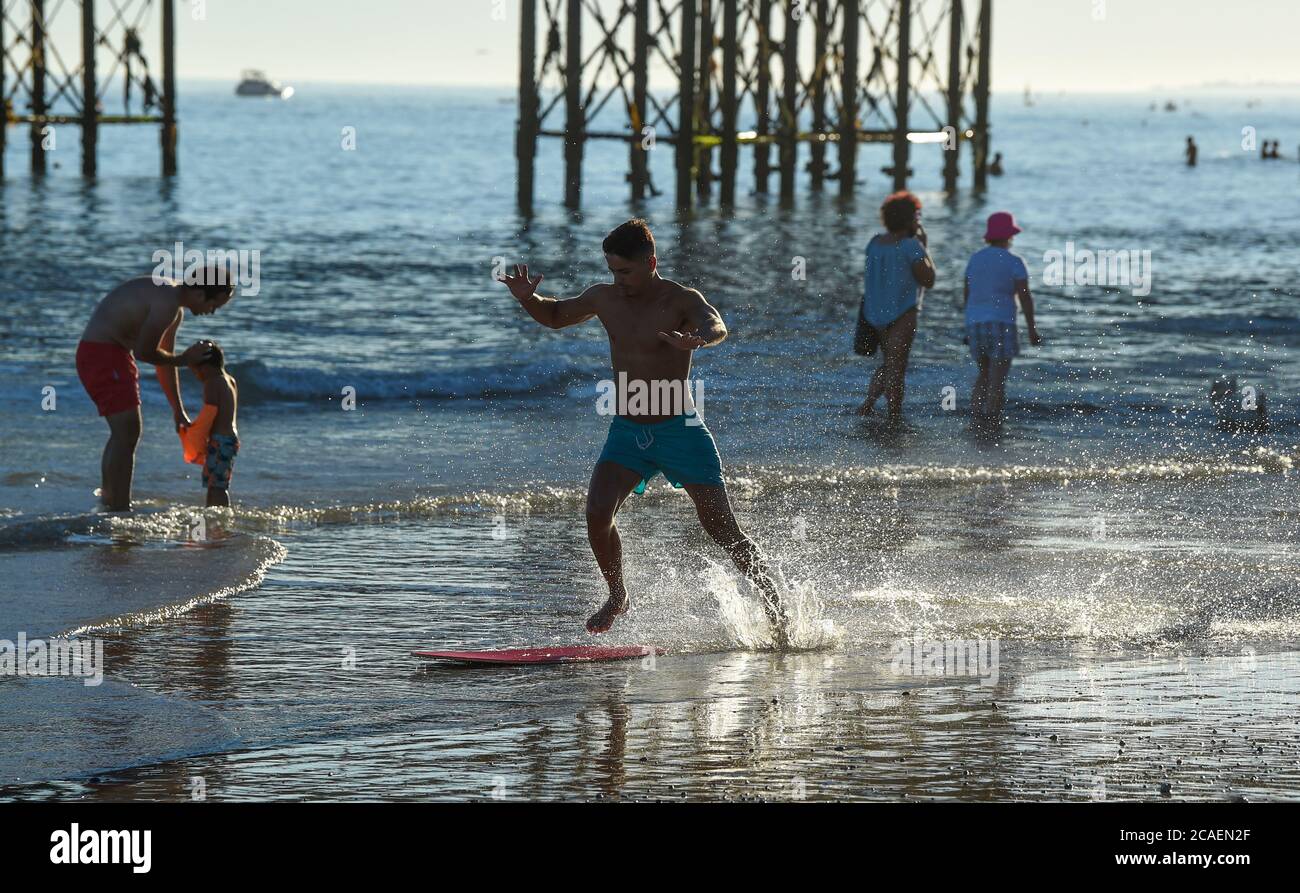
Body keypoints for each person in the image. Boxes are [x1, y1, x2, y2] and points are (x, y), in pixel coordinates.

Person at [498, 219, 790, 646]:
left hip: (680, 430)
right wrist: (529, 300)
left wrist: (699, 340)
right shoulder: (604, 297)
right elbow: (557, 315)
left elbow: (716, 324)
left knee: (722, 528)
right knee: (598, 513)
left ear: (651, 262)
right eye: (613, 271)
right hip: (628, 430)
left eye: (626, 272)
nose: (619, 280)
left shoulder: (681, 299)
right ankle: (617, 595)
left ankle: (777, 608)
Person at [77, 274, 233, 510]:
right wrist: (186, 359)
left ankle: (111, 501)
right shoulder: (167, 301)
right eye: (213, 305)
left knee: (125, 432)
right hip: (103, 353)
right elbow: (144, 352)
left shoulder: (174, 308)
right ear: (200, 294)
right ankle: (118, 506)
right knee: (127, 431)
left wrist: (177, 409)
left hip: (112, 354)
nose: (211, 312)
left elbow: (164, 362)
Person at [856, 191, 936, 422]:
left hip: (875, 312)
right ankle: (894, 416)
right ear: (911, 220)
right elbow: (929, 279)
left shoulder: (874, 243)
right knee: (897, 368)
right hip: (903, 312)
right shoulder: (911, 246)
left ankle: (868, 406)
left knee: (889, 363)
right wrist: (924, 246)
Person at [963, 212, 1042, 429]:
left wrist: (967, 324)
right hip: (1002, 323)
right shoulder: (1014, 262)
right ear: (1009, 236)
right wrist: (1032, 329)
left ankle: (976, 419)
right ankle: (992, 424)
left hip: (975, 323)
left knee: (984, 374)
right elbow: (1024, 296)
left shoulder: (975, 259)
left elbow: (967, 293)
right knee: (997, 379)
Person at [181, 341, 240, 507]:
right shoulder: (229, 380)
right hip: (230, 439)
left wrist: (194, 434)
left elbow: (209, 414)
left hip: (220, 440)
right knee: (216, 484)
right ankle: (213, 515)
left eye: (195, 371)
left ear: (205, 367)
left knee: (217, 487)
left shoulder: (212, 383)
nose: (197, 376)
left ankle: (221, 518)